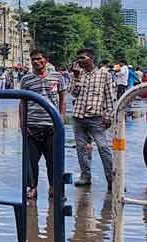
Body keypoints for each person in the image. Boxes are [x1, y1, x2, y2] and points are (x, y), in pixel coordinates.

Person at [18, 49, 66, 200]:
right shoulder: (26, 80)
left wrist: (61, 121)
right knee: (31, 162)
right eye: (33, 59)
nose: (36, 62)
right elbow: (22, 103)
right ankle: (32, 188)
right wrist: (22, 124)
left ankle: (53, 187)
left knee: (53, 160)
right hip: (32, 126)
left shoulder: (58, 78)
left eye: (39, 59)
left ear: (46, 60)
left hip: (52, 126)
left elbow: (63, 100)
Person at [70, 48, 117, 189]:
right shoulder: (77, 75)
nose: (79, 61)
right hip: (79, 116)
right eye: (78, 58)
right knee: (81, 148)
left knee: (103, 147)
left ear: (91, 58)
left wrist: (108, 116)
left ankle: (111, 179)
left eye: (82, 58)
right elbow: (74, 93)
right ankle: (85, 176)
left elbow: (109, 96)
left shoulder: (104, 74)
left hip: (96, 117)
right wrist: (77, 78)